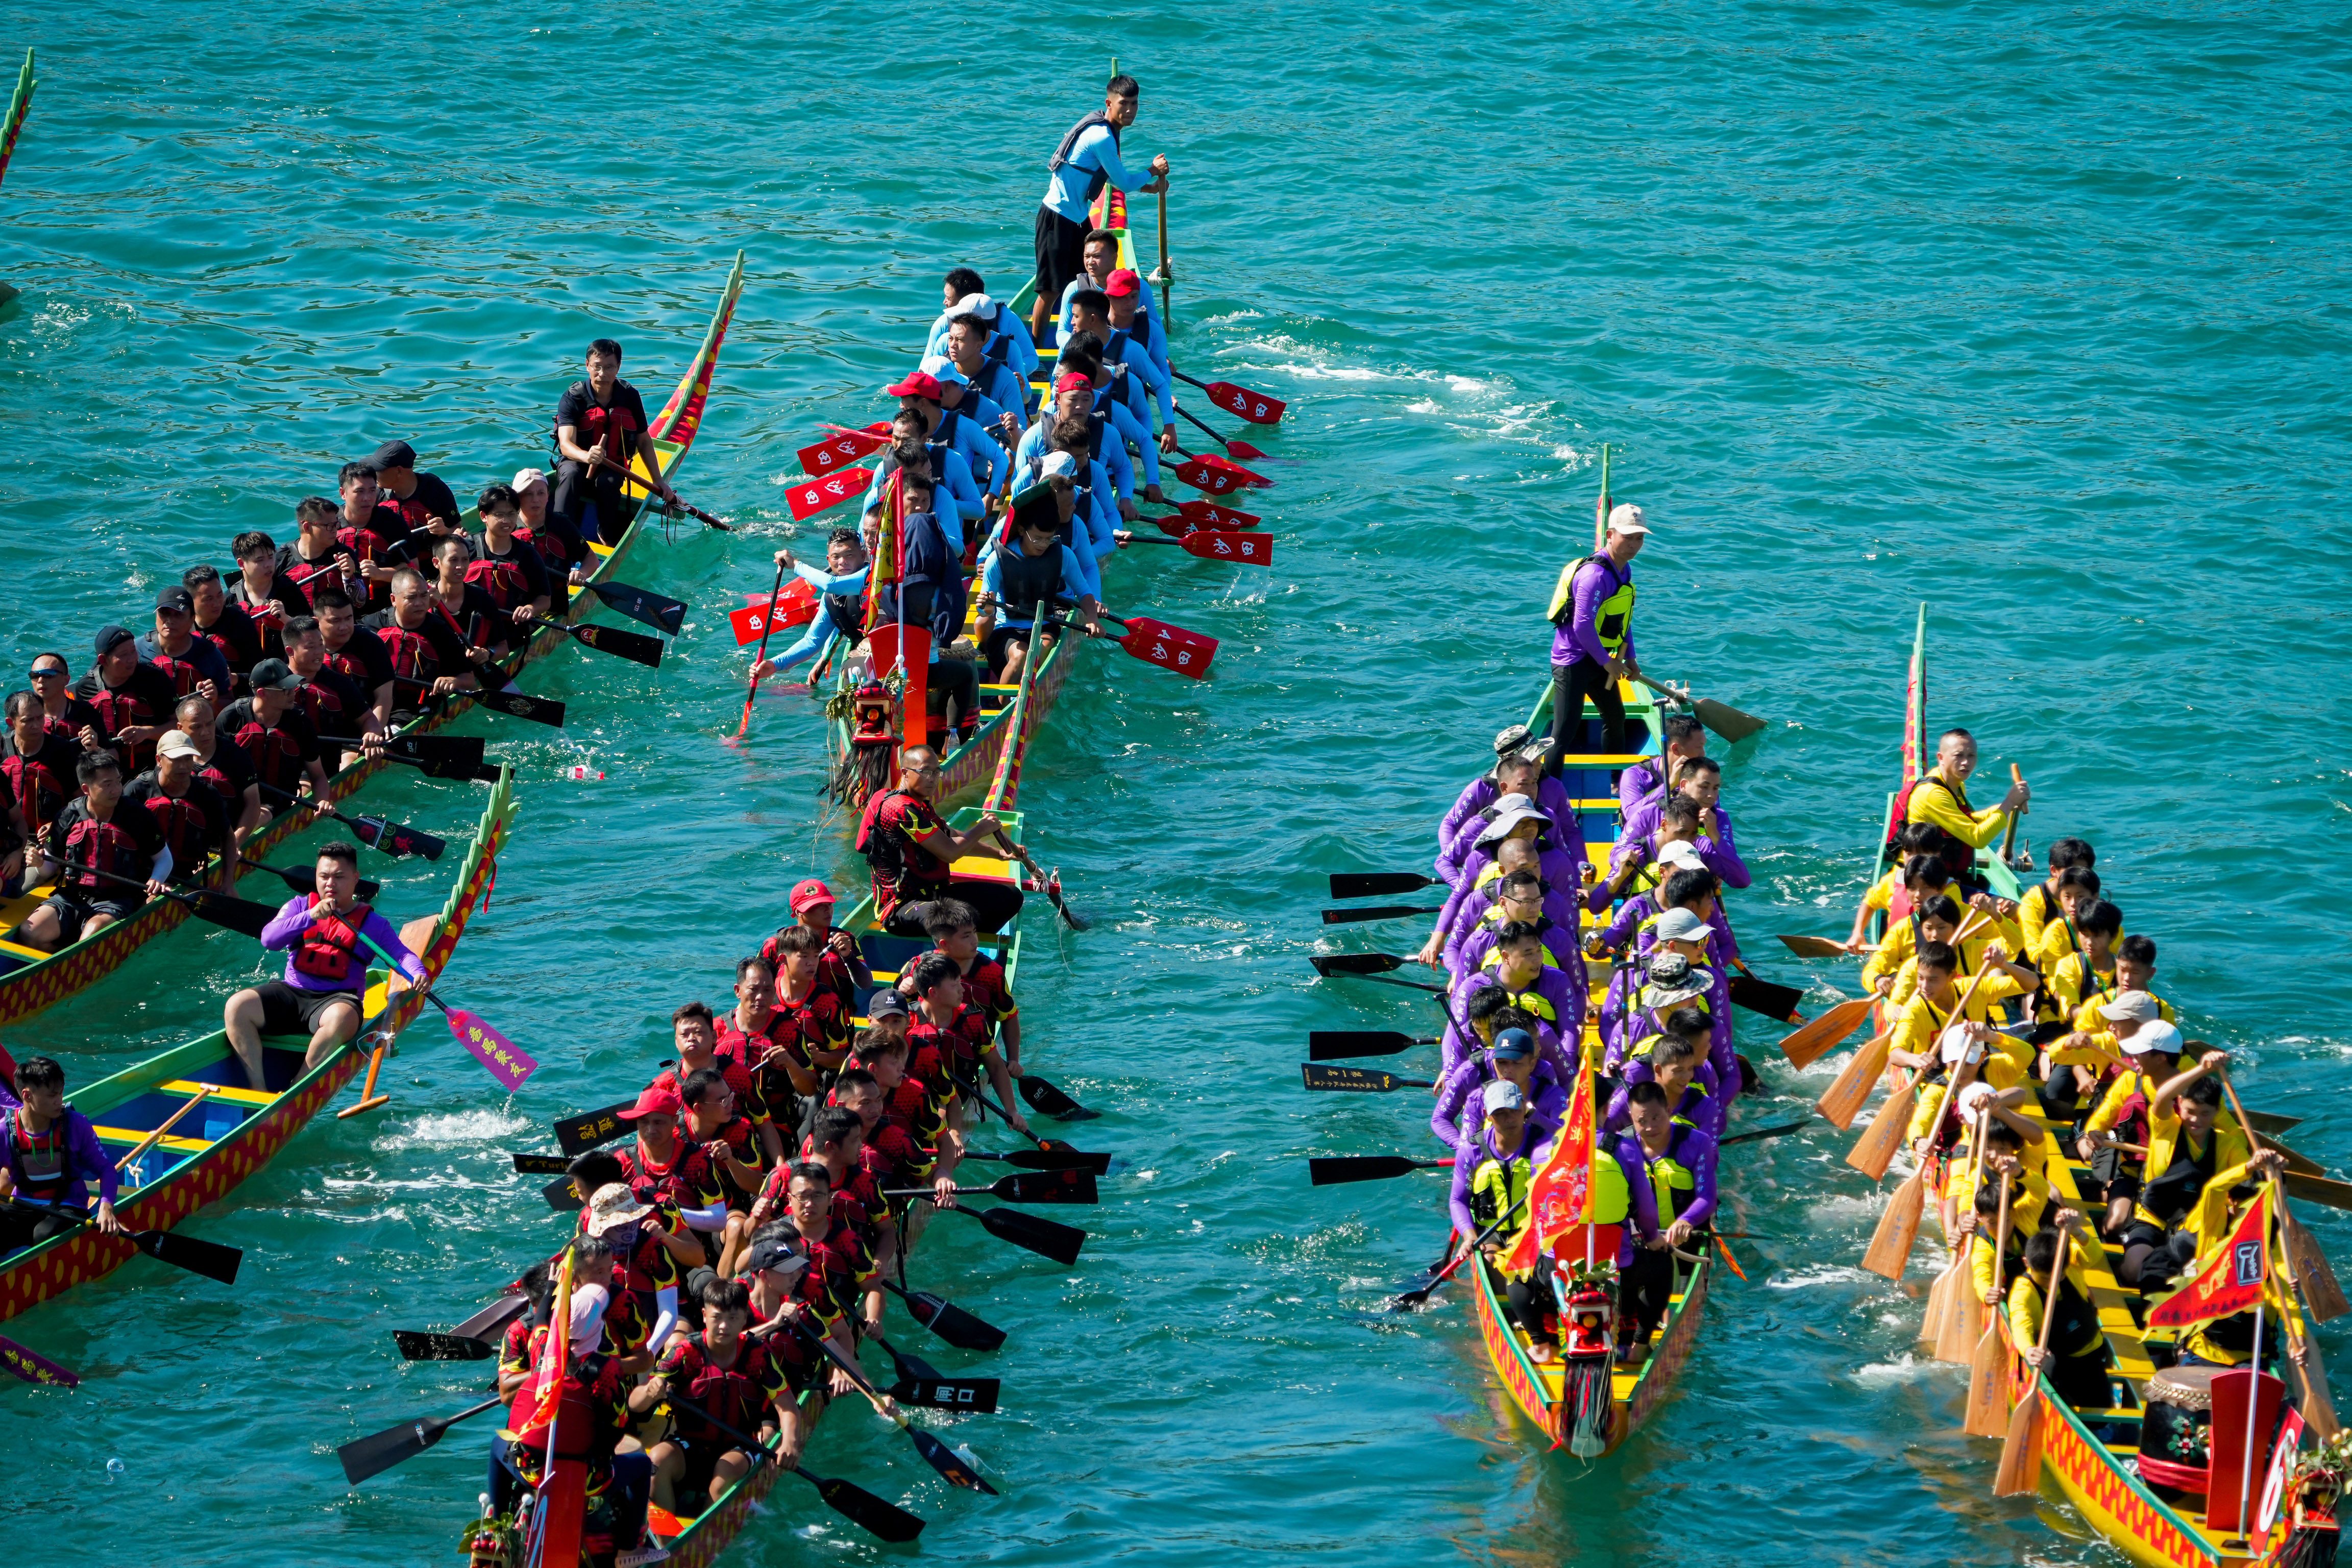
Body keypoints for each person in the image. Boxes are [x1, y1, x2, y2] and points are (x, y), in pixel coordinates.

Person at [223, 841, 428, 1086]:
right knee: (237, 1006)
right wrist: (310, 917)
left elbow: (401, 955)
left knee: (341, 1018)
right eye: (324, 877)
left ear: (355, 879)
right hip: (292, 994)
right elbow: (269, 939)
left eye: (339, 877)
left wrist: (417, 973)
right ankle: (259, 1088)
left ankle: (298, 1085)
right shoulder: (299, 906)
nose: (330, 884)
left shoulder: (373, 924)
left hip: (336, 1001)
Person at [1032, 74, 1169, 346]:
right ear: (1109, 103)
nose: (1130, 110)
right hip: (1056, 218)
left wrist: (1149, 188)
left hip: (1078, 218)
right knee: (1049, 292)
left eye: (1135, 104)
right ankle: (1034, 353)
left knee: (1083, 282)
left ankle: (1088, 338)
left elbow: (1106, 174)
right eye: (1123, 104)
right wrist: (1153, 171)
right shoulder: (1101, 136)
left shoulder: (1108, 130)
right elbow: (1124, 182)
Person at [633, 1277, 789, 1514]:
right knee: (656, 1461)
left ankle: (705, 1538)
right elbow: (635, 1405)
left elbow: (787, 1406)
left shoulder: (758, 1355)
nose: (724, 1326)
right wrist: (649, 1391)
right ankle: (667, 1544)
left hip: (740, 1444)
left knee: (724, 1473)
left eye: (732, 1318)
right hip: (691, 1443)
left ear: (744, 1319)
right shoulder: (685, 1353)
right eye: (717, 1318)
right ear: (704, 1316)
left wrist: (790, 1443)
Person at [1448, 1080, 1558, 1358]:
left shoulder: (1544, 1144)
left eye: (1513, 1111)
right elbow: (1458, 1201)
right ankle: (1510, 1320)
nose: (1508, 1119)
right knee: (1489, 1258)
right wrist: (1469, 1234)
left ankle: (1541, 1313)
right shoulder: (1472, 1151)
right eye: (1500, 1114)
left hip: (1536, 1231)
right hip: (1493, 1233)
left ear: (1524, 1108)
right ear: (1488, 1115)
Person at [17, 750, 170, 951]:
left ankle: (79, 956)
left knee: (92, 932)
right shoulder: (67, 815)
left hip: (117, 899)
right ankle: (66, 962)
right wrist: (39, 862)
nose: (117, 789)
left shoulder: (138, 816)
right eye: (107, 784)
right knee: (30, 933)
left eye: (118, 781)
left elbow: (164, 858)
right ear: (86, 789)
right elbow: (49, 868)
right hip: (72, 897)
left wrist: (157, 879)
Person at [855, 746, 1015, 934]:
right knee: (955, 918)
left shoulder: (920, 804)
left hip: (935, 895)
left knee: (1010, 897)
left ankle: (969, 945)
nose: (932, 778)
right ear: (905, 773)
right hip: (901, 907)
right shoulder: (901, 809)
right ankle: (960, 944)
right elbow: (951, 852)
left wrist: (999, 854)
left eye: (936, 772)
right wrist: (982, 828)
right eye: (925, 772)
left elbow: (951, 836)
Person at [1612, 1079, 1719, 1360]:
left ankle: (1655, 1331)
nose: (1649, 1127)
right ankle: (1633, 1337)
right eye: (1641, 1121)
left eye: (1656, 1117)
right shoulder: (1621, 1146)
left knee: (1670, 1284)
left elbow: (1707, 1197)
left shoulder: (1698, 1142)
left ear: (1669, 1110)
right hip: (1640, 1239)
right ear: (1631, 1119)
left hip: (1685, 1240)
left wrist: (1686, 1221)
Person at [1545, 502, 1646, 770]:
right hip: (1573, 661)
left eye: (1640, 538)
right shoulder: (1594, 575)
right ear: (1610, 535)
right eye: (1628, 538)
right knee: (1564, 732)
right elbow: (1582, 626)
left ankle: (1615, 780)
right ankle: (1547, 791)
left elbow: (1622, 619)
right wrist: (1607, 662)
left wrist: (1632, 658)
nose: (1634, 545)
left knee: (1616, 718)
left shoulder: (1624, 569)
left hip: (1598, 657)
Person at [552, 337, 678, 546]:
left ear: (619, 367)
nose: (602, 374)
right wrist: (587, 456)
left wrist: (659, 481)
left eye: (609, 367)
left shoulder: (629, 396)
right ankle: (558, 532)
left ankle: (607, 533)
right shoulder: (572, 397)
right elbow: (566, 445)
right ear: (587, 366)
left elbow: (644, 441)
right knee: (571, 473)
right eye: (597, 367)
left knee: (608, 482)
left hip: (612, 464)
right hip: (576, 461)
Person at [0, 1055, 125, 1253]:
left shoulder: (76, 1124)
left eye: (61, 1093)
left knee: (43, 1235)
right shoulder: (5, 1132)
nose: (60, 1101)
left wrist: (106, 1206)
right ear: (27, 1095)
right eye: (52, 1096)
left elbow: (106, 1170)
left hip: (69, 1206)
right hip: (23, 1205)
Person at [975, 487, 1099, 682]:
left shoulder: (1064, 554)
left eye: (1049, 539)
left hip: (1046, 624)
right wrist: (987, 609)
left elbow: (1084, 592)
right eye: (1038, 538)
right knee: (1020, 656)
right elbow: (984, 613)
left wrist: (1092, 619)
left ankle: (1022, 698)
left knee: (1040, 649)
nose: (1043, 545)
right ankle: (1005, 704)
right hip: (1007, 627)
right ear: (1023, 530)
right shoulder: (996, 560)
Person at [1436, 727, 1580, 883]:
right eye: (1534, 759)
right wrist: (1454, 861)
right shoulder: (1480, 790)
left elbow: (1570, 832)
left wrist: (1580, 866)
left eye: (1540, 756)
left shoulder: (1553, 791)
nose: (1540, 764)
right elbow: (1450, 824)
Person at [1450, 922, 1584, 1081]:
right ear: (1506, 957)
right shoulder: (1473, 986)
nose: (1538, 960)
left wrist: (1565, 1064)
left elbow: (1569, 1032)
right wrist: (1448, 1072)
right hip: (1489, 1073)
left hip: (1542, 1070)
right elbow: (1454, 1036)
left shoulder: (1557, 982)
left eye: (1539, 951)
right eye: (1528, 954)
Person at [2007, 1218, 2117, 1410]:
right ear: (2027, 1263)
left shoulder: (2071, 1264)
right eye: (2045, 1279)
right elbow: (2020, 1323)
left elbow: (2094, 1254)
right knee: (2061, 1395)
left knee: (2100, 1417)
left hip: (2091, 1354)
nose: (2052, 1283)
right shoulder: (2023, 1291)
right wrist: (2028, 1349)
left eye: (2059, 1277)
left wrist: (2078, 1232)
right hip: (2058, 1363)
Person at [1901, 728, 2030, 890]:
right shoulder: (1932, 793)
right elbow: (1978, 839)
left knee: (1983, 886)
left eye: (1971, 756)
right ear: (1941, 758)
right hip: (1924, 880)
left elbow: (1966, 819)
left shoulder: (1954, 782)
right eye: (1959, 756)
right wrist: (2008, 803)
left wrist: (2004, 808)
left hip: (1945, 872)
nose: (1966, 763)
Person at [746, 532, 870, 688]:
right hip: (862, 657)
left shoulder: (870, 577)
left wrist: (796, 565)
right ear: (828, 560)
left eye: (849, 555)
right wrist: (774, 665)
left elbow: (830, 583)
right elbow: (812, 641)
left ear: (863, 555)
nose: (842, 562)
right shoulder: (830, 599)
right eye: (836, 557)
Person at [122, 729, 232, 889]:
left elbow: (227, 836)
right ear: (159, 760)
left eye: (188, 759)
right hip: (142, 876)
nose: (183, 766)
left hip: (187, 875)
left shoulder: (207, 794)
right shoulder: (136, 791)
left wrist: (228, 883)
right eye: (176, 760)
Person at [924, 898, 1022, 1077]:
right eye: (966, 936)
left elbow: (1009, 1016)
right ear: (944, 944)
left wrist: (1013, 1060)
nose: (975, 941)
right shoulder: (919, 968)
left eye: (974, 932)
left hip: (975, 1057)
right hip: (930, 1059)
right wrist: (904, 989)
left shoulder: (991, 973)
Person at [363, 568, 479, 718]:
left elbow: (470, 681)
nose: (419, 603)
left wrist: (453, 681)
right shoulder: (371, 625)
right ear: (393, 600)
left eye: (424, 596)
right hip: (374, 704)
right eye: (411, 598)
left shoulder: (441, 631)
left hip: (416, 709)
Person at [1431, 1025, 1566, 1148]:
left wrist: (1532, 1115)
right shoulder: (1477, 1099)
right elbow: (1466, 1146)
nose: (1507, 1070)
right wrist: (1466, 1152)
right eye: (1502, 1063)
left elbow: (1567, 1139)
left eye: (1516, 1063)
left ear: (1532, 1064)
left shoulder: (1554, 1096)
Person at [217, 658, 333, 802]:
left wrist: (322, 802)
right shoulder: (230, 719)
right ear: (262, 693)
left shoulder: (300, 722)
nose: (293, 692)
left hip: (279, 801)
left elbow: (318, 776)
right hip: (237, 800)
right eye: (286, 689)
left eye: (294, 686)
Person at [72, 624, 179, 776]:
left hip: (154, 769)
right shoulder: (86, 687)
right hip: (107, 770)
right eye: (123, 655)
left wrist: (147, 732)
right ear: (103, 660)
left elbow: (179, 725)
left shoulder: (154, 678)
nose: (132, 659)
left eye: (133, 651)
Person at [759, 877, 873, 1013]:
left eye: (829, 904)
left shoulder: (846, 939)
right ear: (799, 912)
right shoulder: (774, 946)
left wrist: (848, 956)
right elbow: (757, 989)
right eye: (818, 906)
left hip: (835, 1024)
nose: (827, 910)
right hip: (785, 1025)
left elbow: (866, 984)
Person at [923, 270, 1040, 400]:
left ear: (966, 301)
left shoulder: (1007, 321)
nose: (945, 302)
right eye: (952, 338)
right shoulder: (943, 330)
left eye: (949, 298)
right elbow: (924, 372)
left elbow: (1031, 359)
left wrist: (1005, 378)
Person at [282, 615, 378, 770]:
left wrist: (371, 734)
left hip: (329, 761)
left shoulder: (339, 683)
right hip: (291, 763)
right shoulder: (276, 682)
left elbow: (368, 718)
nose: (319, 652)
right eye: (311, 647)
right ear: (290, 651)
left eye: (321, 645)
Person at [311, 586, 397, 735]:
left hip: (365, 725)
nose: (344, 627)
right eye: (336, 621)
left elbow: (384, 697)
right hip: (324, 733)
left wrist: (372, 734)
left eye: (349, 618)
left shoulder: (370, 642)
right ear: (316, 622)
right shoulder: (305, 648)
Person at [465, 483, 553, 622]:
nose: (506, 521)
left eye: (512, 514)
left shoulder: (528, 554)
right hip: (472, 627)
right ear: (484, 516)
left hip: (512, 628)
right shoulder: (467, 547)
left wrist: (530, 608)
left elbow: (545, 599)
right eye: (499, 515)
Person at [137, 585, 233, 709]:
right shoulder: (136, 651)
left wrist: (213, 701)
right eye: (164, 613)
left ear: (192, 619)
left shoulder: (210, 654)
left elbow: (229, 702)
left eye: (178, 615)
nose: (170, 620)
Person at [332, 465, 413, 609]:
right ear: (343, 493)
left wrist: (380, 574)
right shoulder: (330, 523)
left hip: (384, 605)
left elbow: (413, 570)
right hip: (338, 606)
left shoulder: (392, 522)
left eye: (372, 491)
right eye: (360, 491)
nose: (368, 498)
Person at [941, 311, 1030, 438]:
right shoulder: (940, 370)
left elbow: (1019, 424)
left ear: (979, 345)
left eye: (960, 340)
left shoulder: (1004, 377)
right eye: (951, 338)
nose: (953, 345)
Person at [425, 534, 506, 664]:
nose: (461, 566)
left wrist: (488, 653)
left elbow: (503, 649)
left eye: (465, 560)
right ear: (436, 563)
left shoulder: (482, 598)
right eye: (453, 560)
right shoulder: (424, 602)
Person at [183, 564, 264, 684]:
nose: (217, 603)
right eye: (209, 599)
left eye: (220, 595)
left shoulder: (240, 623)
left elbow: (260, 674)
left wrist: (235, 679)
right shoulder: (182, 626)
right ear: (190, 600)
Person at [366, 440, 461, 538]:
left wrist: (445, 531)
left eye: (379, 469)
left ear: (399, 471)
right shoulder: (375, 493)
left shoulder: (435, 490)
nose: (374, 474)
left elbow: (456, 529)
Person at [1616, 712, 1708, 813]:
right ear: (1676, 749)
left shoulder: (1700, 776)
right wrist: (1669, 786)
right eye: (1699, 747)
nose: (1703, 754)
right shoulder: (1635, 775)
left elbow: (1717, 818)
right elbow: (1630, 815)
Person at [24, 651, 100, 748]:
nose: (40, 680)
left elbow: (112, 754)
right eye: (35, 675)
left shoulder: (87, 713)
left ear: (66, 680)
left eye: (48, 674)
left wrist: (94, 749)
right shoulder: (23, 716)